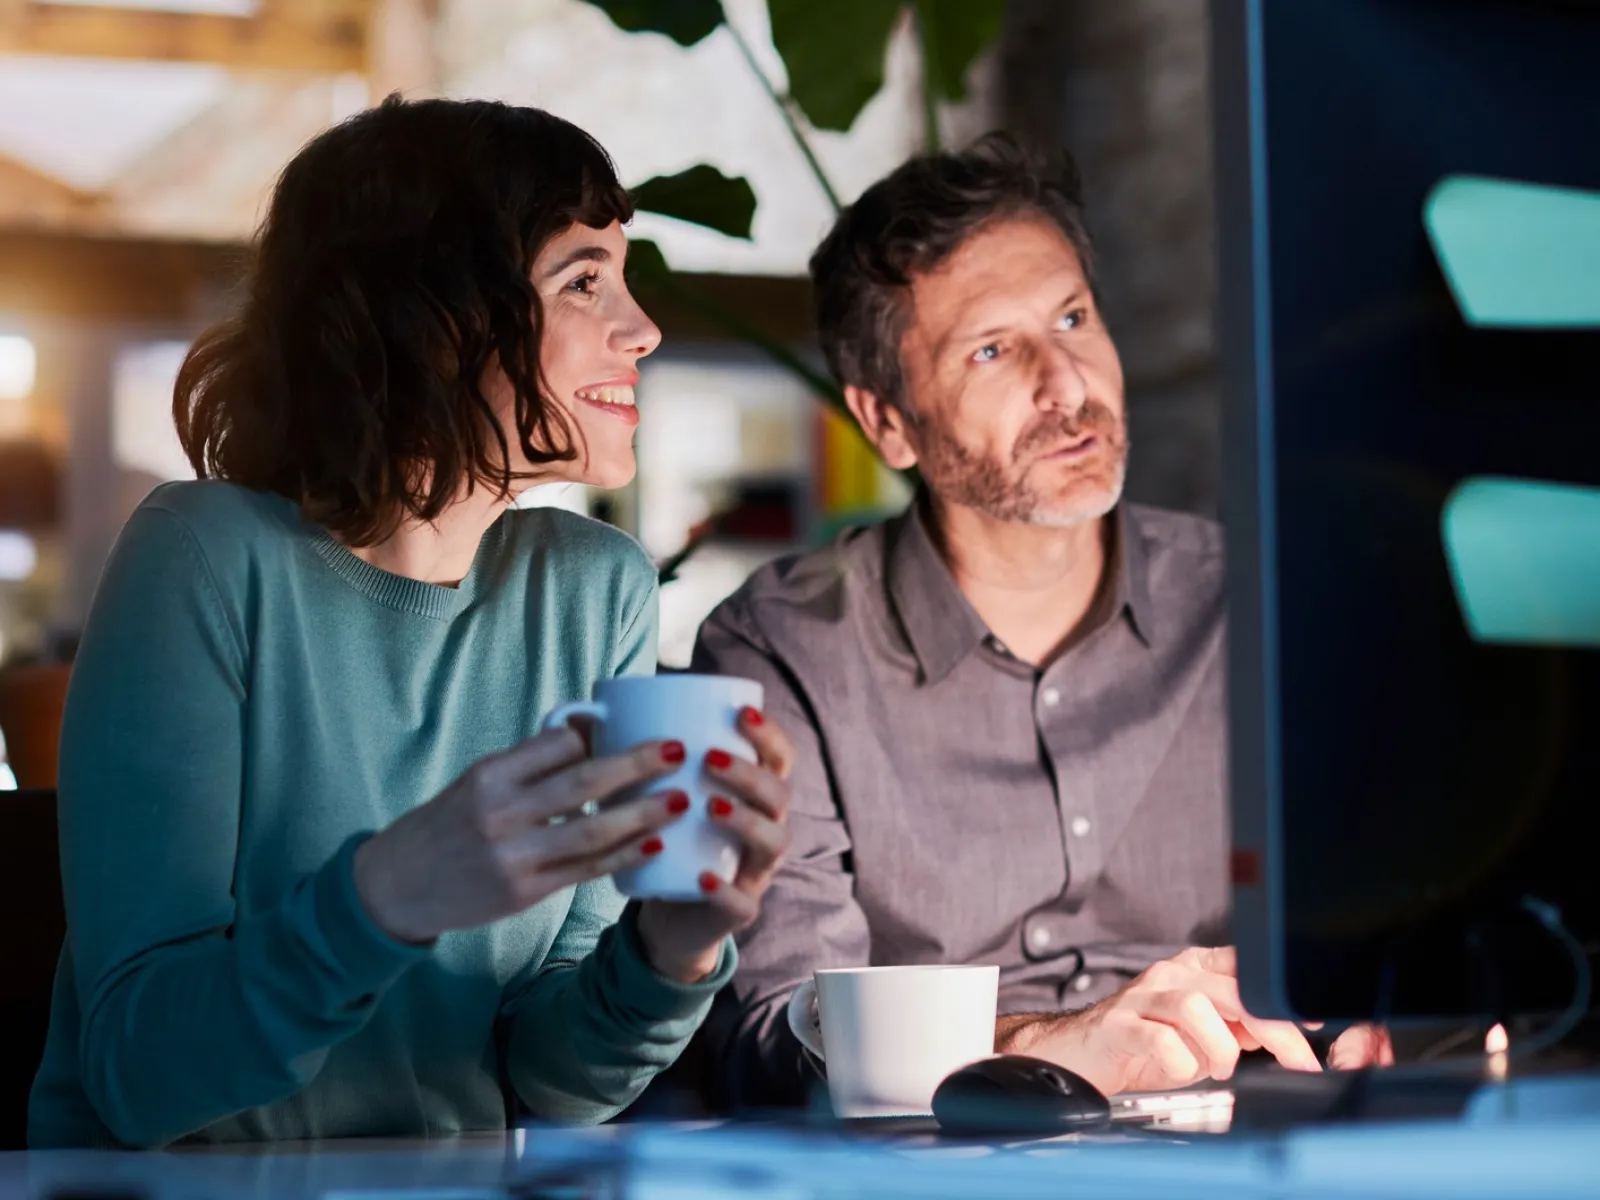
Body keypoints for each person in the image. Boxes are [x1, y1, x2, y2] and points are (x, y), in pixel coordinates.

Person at [29, 96, 795, 1149]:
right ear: (438, 319)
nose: (644, 328)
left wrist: (674, 950)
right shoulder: (206, 555)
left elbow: (556, 1079)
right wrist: (388, 892)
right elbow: (138, 1075)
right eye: (584, 281)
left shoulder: (594, 589)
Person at [692, 133, 1387, 1109]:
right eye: (991, 349)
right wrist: (1052, 1047)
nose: (1067, 387)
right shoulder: (781, 651)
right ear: (886, 420)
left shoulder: (1260, 603)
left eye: (1071, 318)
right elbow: (772, 1031)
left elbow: (1387, 925)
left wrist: (1381, 1010)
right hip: (939, 1161)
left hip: (1259, 1140)